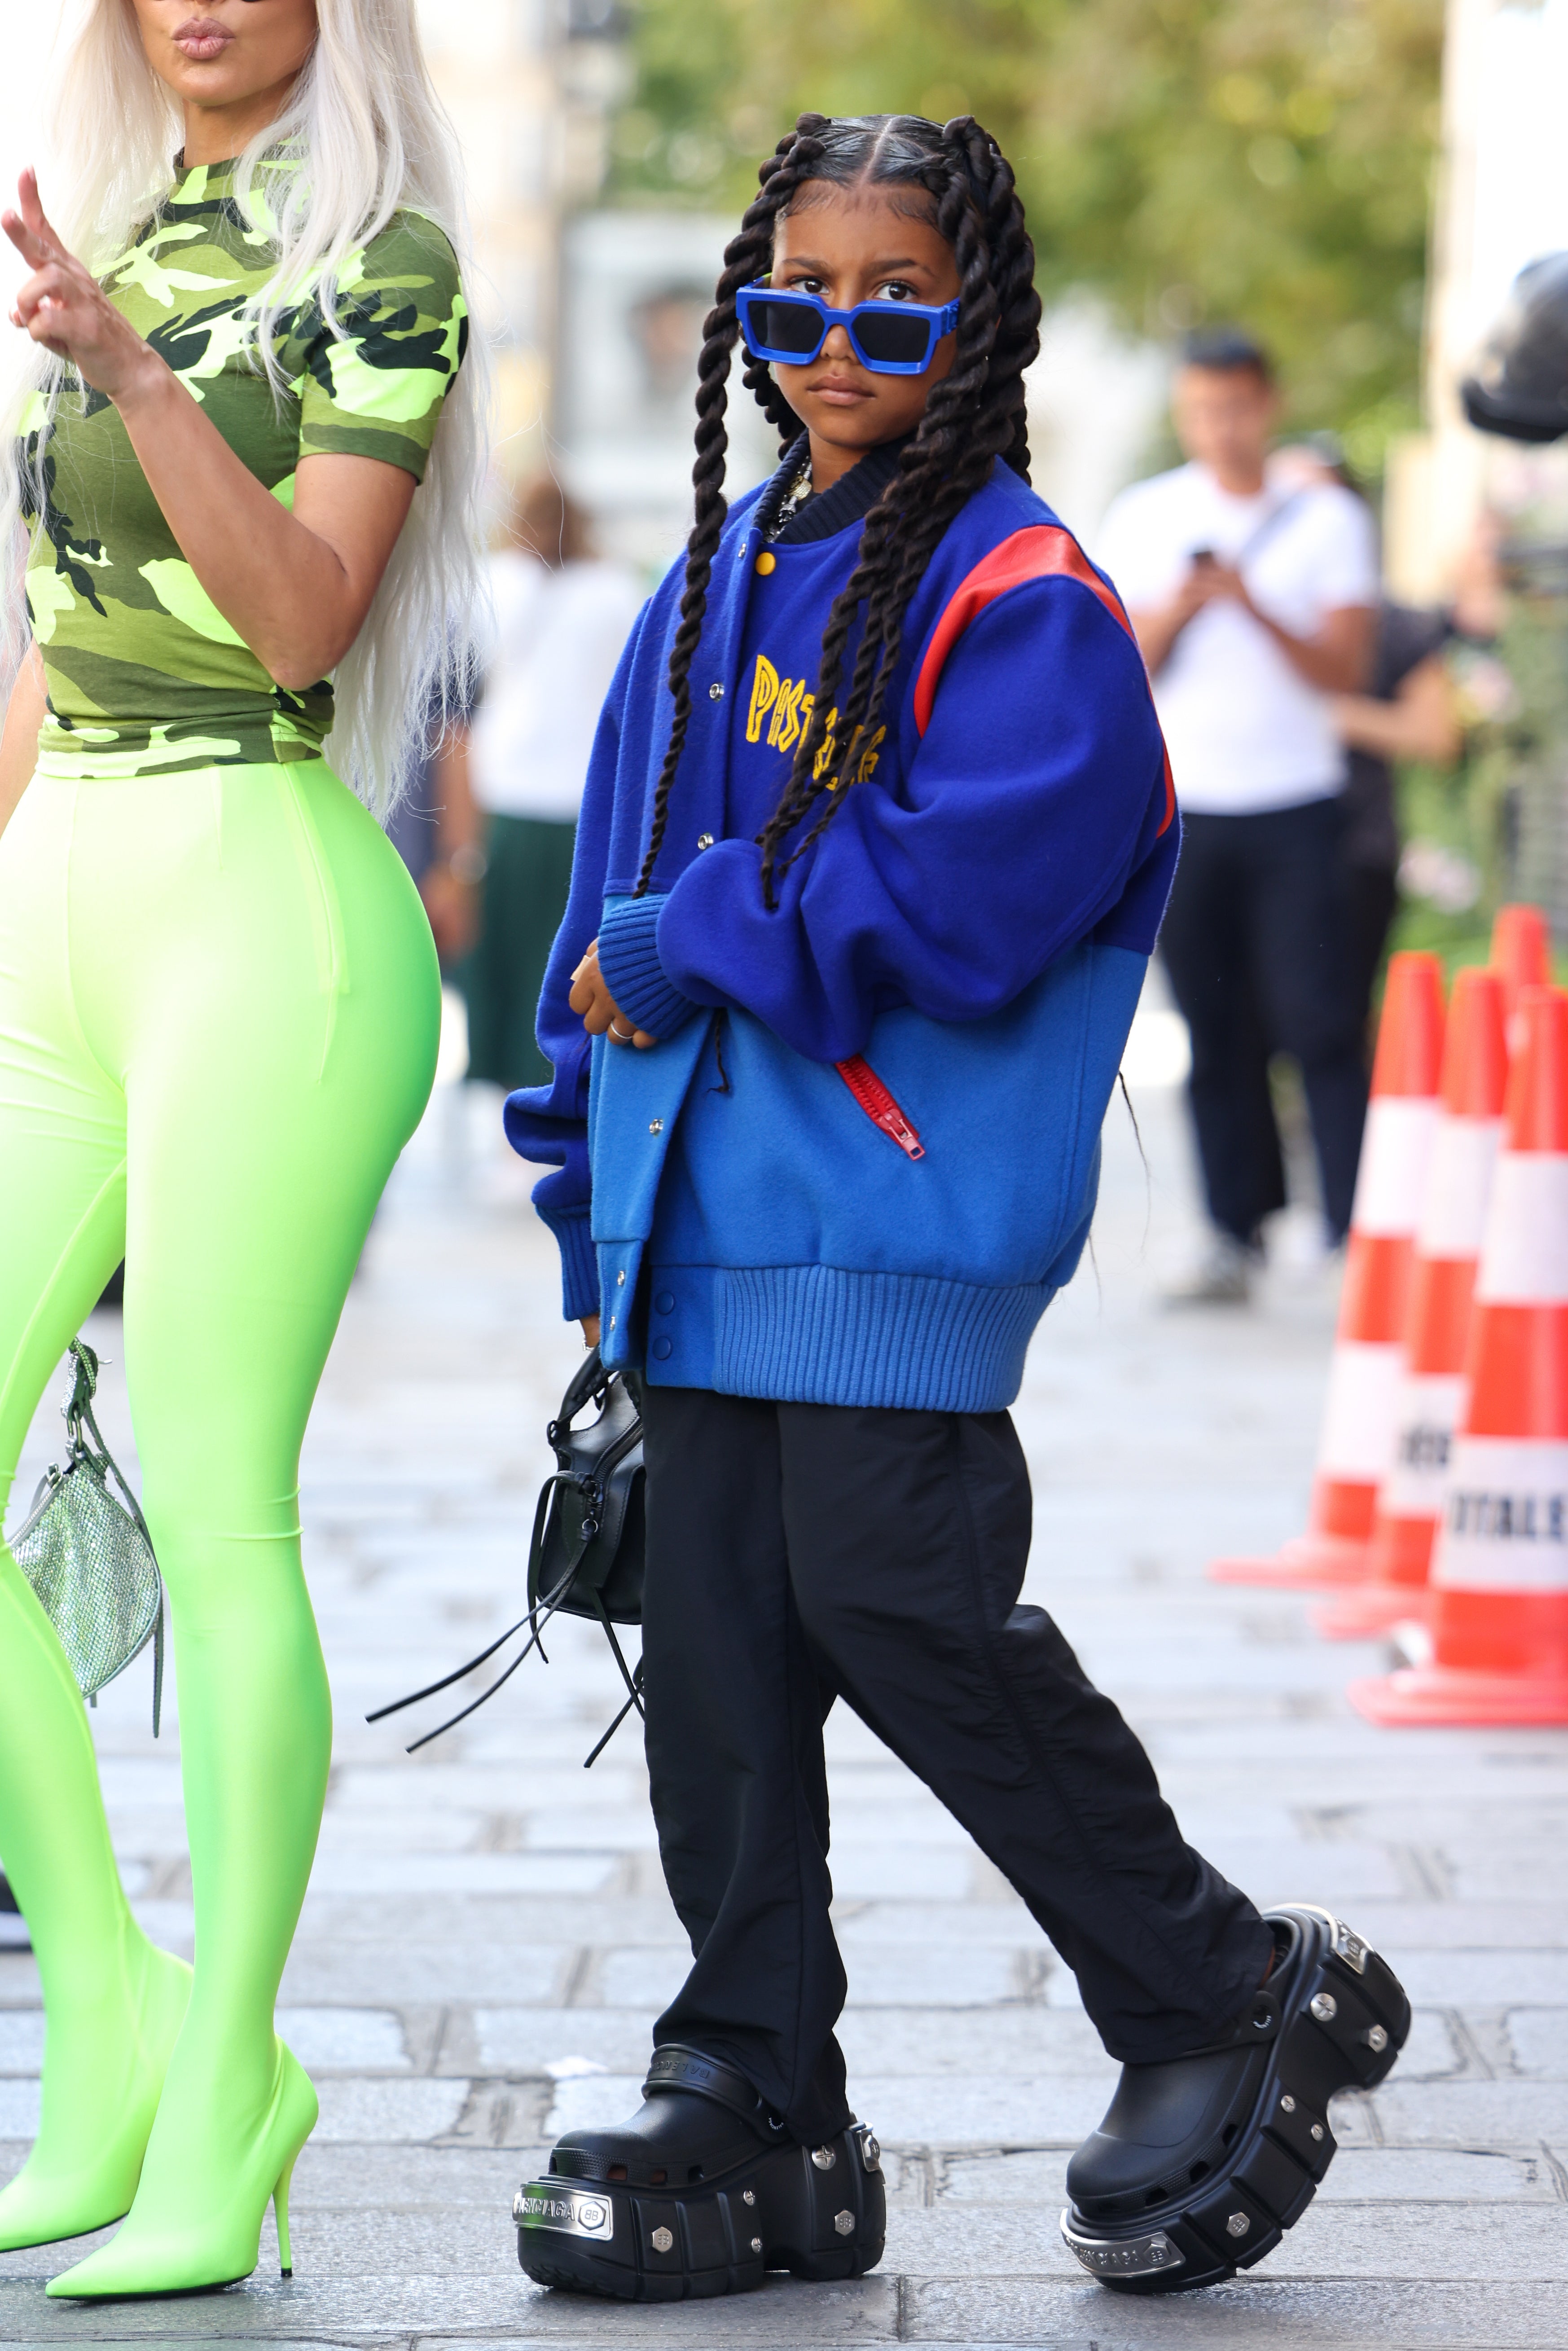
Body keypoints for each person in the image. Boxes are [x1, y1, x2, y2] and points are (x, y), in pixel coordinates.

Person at [503, 113, 1407, 2304]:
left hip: (885, 1234)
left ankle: (1211, 1983)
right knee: (710, 1654)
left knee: (900, 1603)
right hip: (692, 1232)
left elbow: (976, 890)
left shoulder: (1026, 598)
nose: (833, 347)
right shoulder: (709, 575)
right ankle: (756, 2089)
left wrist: (707, 937)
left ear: (972, 318)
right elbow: (601, 917)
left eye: (889, 308)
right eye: (792, 305)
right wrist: (575, 1174)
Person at [0, 0, 479, 2300]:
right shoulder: (90, 221)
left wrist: (139, 376)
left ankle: (229, 2092)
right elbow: (56, 632)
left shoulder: (377, 255)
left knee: (214, 1510)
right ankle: (109, 2025)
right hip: (59, 897)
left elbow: (301, 625)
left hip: (261, 913)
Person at [1096, 331, 1379, 1304]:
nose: (1219, 426)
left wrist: (1252, 601)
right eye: (1200, 409)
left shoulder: (1325, 518)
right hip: (1188, 810)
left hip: (1297, 803)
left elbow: (1343, 668)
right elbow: (1122, 665)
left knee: (1321, 1022)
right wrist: (1183, 603)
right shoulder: (1148, 514)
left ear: (1266, 404)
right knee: (1214, 1026)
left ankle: (1351, 1232)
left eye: (1235, 406)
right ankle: (1233, 1232)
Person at [452, 477, 643, 1090]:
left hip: (502, 796)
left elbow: (460, 701)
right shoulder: (615, 591)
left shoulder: (493, 584)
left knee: (497, 960)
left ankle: (492, 1086)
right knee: (556, 958)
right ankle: (552, 1080)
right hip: (580, 805)